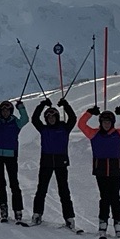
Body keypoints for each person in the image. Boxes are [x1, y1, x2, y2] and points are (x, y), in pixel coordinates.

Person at [78, 105, 120, 239]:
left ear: (112, 123)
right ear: (100, 122)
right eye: (104, 122)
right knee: (104, 198)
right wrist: (89, 113)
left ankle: (118, 223)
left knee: (115, 198)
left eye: (109, 122)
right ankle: (103, 223)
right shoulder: (94, 134)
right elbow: (81, 124)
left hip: (115, 170)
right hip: (100, 171)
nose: (106, 124)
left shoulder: (119, 134)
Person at [30, 97, 77, 228]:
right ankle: (37, 214)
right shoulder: (43, 129)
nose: (51, 119)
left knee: (64, 191)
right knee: (41, 189)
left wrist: (66, 105)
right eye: (48, 117)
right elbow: (34, 119)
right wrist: (42, 105)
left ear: (57, 117)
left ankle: (69, 217)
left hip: (61, 162)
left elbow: (73, 118)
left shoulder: (64, 128)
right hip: (46, 162)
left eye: (53, 116)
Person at [0, 99, 29, 222]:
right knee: (0, 183)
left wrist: (21, 107)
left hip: (11, 154)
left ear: (11, 111)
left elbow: (25, 119)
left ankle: (18, 209)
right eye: (3, 110)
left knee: (14, 183)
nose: (5, 112)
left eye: (7, 110)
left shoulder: (16, 122)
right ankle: (3, 207)